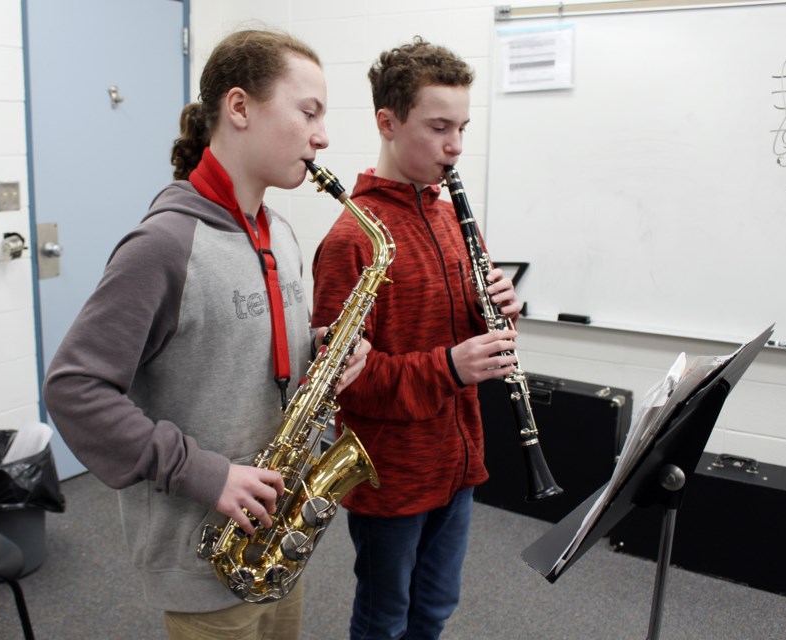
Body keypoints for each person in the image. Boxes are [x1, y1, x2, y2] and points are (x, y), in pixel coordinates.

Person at [43, 29, 369, 640]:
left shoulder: (280, 230)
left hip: (276, 539)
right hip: (201, 555)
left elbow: (236, 341)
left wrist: (323, 349)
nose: (322, 135)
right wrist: (207, 474)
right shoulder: (164, 245)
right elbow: (73, 388)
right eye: (309, 112)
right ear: (240, 108)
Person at [310, 37, 523, 640]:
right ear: (388, 121)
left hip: (458, 460)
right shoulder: (352, 239)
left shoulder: (452, 217)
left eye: (462, 126)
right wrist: (451, 367)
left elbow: (477, 335)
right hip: (392, 475)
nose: (454, 145)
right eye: (437, 127)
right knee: (385, 619)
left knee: (433, 612)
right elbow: (347, 386)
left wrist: (501, 316)